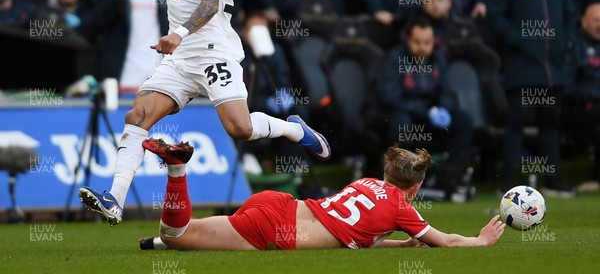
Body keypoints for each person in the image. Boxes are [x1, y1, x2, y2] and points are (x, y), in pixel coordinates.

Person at [79, 0, 330, 226]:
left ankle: (293, 129)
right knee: (136, 115)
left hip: (213, 51)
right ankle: (115, 199)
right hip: (181, 58)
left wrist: (179, 33)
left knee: (239, 128)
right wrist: (179, 41)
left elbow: (210, 3)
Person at [138, 142, 504, 250]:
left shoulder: (362, 184)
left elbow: (355, 235)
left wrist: (403, 247)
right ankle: (176, 169)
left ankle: (157, 243)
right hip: (276, 228)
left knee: (182, 235)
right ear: (415, 189)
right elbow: (446, 242)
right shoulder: (400, 209)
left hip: (276, 204)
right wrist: (481, 241)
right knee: (180, 234)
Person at [487, 0, 575, 197]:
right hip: (521, 67)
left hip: (553, 67)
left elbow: (569, 13)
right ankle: (509, 181)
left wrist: (566, 42)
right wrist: (520, 40)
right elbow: (495, 19)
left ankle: (554, 179)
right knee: (516, 124)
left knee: (550, 126)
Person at [376, 16, 473, 198]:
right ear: (408, 40)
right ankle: (398, 181)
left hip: (432, 120)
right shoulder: (394, 59)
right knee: (401, 120)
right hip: (403, 115)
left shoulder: (438, 59)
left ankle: (449, 179)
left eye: (427, 42)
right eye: (417, 42)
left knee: (464, 120)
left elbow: (447, 91)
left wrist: (444, 108)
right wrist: (426, 111)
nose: (422, 47)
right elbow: (389, 96)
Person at [564, 2, 600, 184]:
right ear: (583, 22)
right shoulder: (574, 48)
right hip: (581, 111)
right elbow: (567, 88)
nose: (599, 25)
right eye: (595, 20)